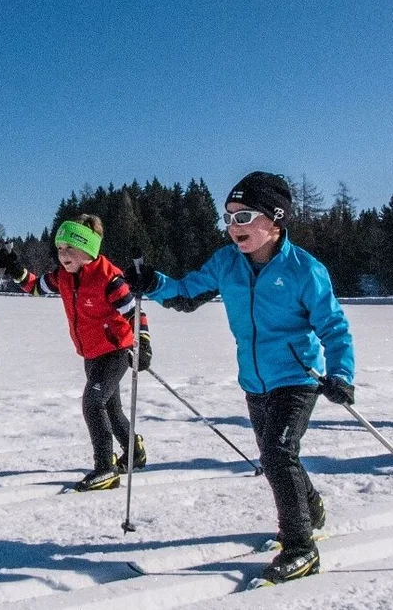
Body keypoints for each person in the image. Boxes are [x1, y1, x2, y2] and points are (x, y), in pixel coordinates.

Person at [125, 171, 354, 585]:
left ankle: (301, 546)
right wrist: (152, 282)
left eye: (245, 216)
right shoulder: (226, 262)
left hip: (297, 377)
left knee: (277, 453)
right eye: (229, 217)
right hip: (253, 380)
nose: (234, 226)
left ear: (276, 219)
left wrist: (340, 374)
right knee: (276, 455)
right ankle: (312, 508)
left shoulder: (305, 269)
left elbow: (334, 327)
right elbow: (185, 293)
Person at [0, 215, 152, 492]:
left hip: (116, 351)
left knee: (93, 403)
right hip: (91, 352)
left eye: (70, 248)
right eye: (59, 248)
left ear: (88, 249)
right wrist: (15, 268)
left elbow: (134, 313)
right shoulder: (63, 277)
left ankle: (106, 469)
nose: (63, 254)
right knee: (111, 408)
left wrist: (144, 343)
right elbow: (34, 287)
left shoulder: (109, 279)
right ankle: (134, 451)